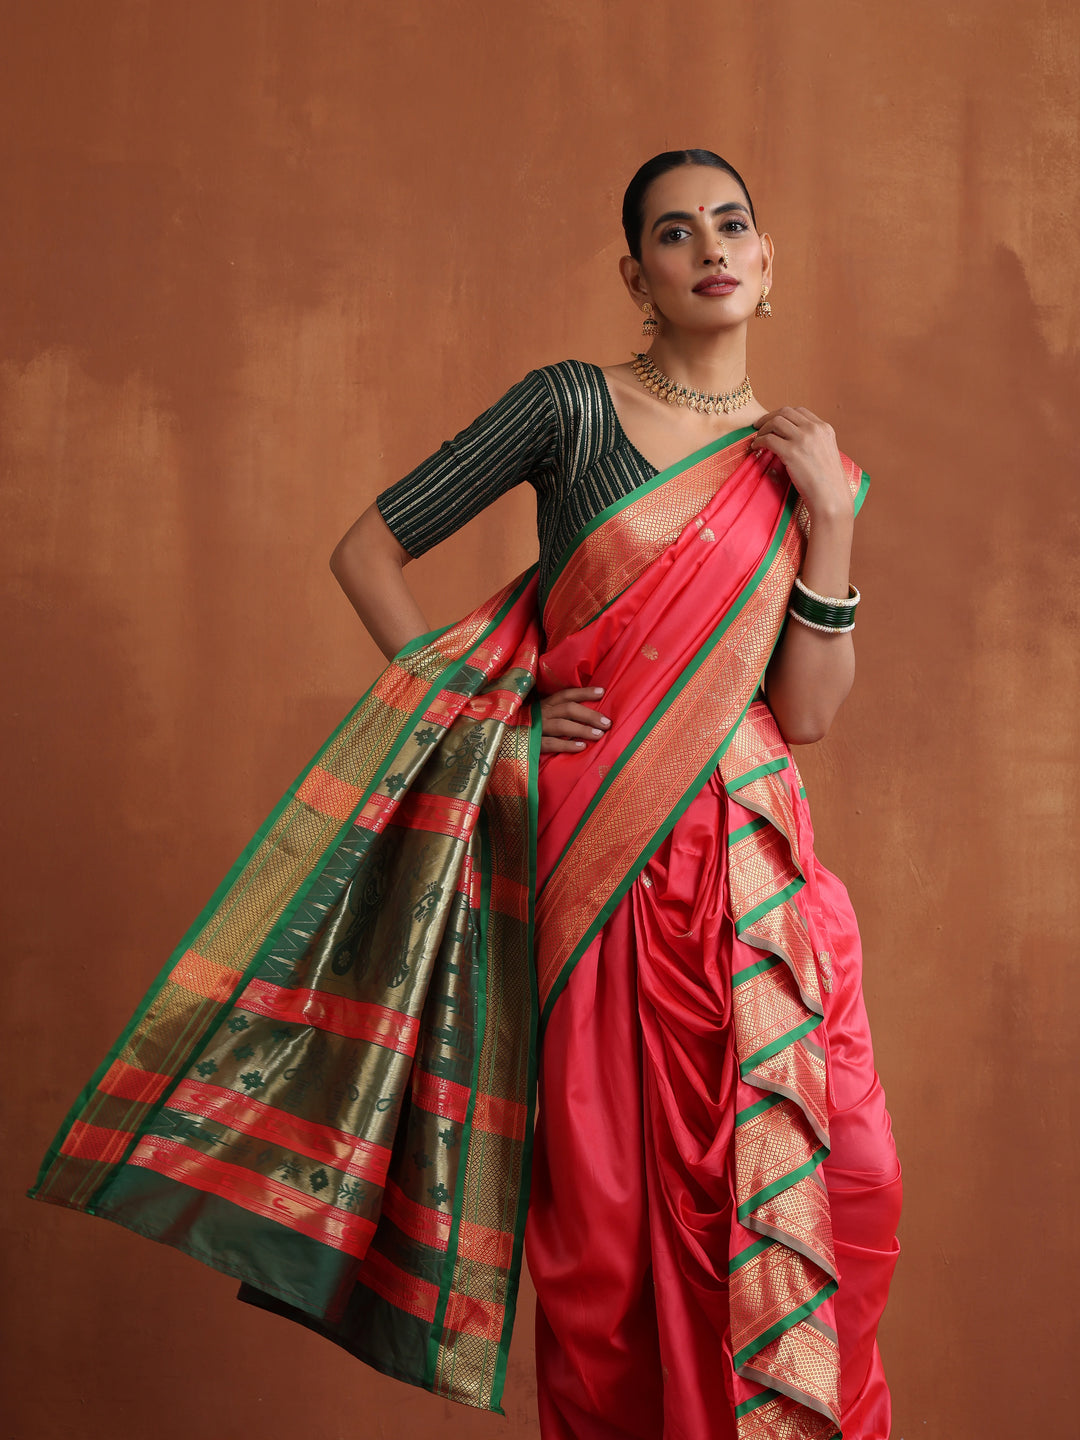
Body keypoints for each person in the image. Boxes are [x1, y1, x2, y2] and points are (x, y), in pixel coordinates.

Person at [27, 150, 901, 1440]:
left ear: (766, 260)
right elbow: (366, 551)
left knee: (839, 1176)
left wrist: (832, 516)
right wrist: (496, 713)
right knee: (610, 1217)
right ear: (638, 276)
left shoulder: (806, 463)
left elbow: (809, 713)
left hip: (754, 866)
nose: (710, 246)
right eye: (676, 232)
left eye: (732, 224)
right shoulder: (572, 407)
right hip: (598, 846)